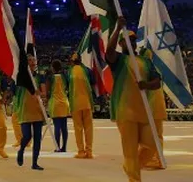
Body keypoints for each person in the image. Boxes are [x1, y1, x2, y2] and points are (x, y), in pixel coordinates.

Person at [105, 16, 162, 182]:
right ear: (121, 44)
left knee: (152, 145)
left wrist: (147, 85)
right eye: (127, 40)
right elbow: (108, 52)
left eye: (133, 39)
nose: (131, 42)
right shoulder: (119, 60)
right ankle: (134, 177)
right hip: (125, 110)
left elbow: (157, 81)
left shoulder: (145, 61)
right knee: (130, 150)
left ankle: (131, 166)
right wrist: (117, 28)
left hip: (144, 110)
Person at [15, 53, 45, 170]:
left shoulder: (39, 77)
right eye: (30, 60)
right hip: (24, 109)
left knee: (37, 137)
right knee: (27, 136)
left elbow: (44, 93)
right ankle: (21, 150)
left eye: (33, 60)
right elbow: (15, 91)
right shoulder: (20, 77)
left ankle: (35, 162)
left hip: (37, 109)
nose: (32, 62)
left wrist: (40, 94)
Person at [68, 52, 95, 159]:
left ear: (72, 61)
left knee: (78, 128)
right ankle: (89, 152)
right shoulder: (87, 70)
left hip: (75, 103)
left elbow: (66, 85)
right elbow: (93, 83)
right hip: (87, 102)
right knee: (88, 128)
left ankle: (81, 151)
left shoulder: (69, 72)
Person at [46, 59, 70, 153]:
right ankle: (64, 147)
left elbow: (48, 92)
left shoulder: (50, 77)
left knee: (57, 126)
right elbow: (67, 88)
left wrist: (46, 100)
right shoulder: (64, 76)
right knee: (64, 127)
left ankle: (57, 147)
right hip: (64, 102)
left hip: (55, 103)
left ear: (52, 67)